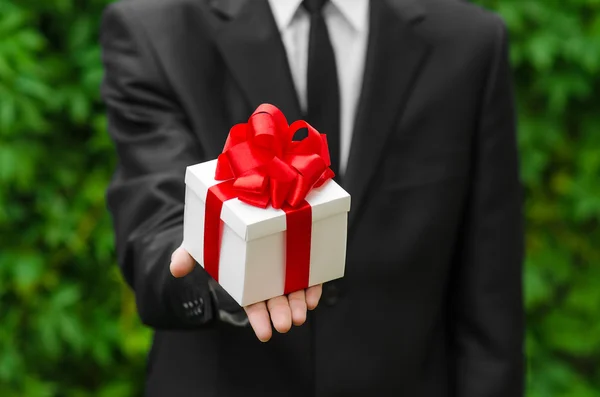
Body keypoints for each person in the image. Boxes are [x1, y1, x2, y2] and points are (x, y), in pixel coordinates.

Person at [100, 0, 525, 395]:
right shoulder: (157, 27)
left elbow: (490, 296)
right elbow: (156, 218)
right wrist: (220, 272)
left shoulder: (469, 42)